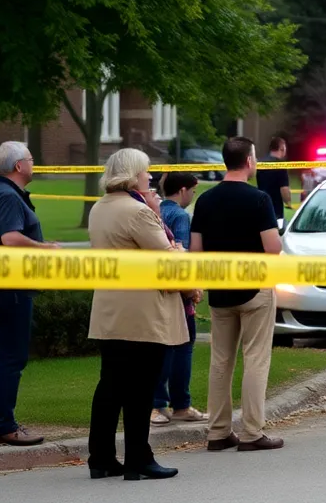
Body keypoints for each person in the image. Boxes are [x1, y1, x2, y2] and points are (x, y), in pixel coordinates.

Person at [86, 148, 190, 480]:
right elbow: (167, 260)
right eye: (146, 172)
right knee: (142, 387)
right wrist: (178, 248)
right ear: (133, 175)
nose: (149, 177)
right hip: (143, 312)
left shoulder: (99, 208)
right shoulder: (139, 212)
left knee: (110, 385)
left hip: (109, 308)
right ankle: (138, 458)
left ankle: (100, 457)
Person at [191, 136, 284, 452]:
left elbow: (196, 251)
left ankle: (217, 432)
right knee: (256, 359)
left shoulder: (204, 200)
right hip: (255, 288)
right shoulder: (259, 200)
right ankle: (252, 432)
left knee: (221, 360)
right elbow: (273, 247)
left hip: (220, 290)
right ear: (248, 161)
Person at [0, 141, 58, 447]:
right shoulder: (7, 196)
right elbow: (10, 239)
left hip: (2, 286)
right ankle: (3, 425)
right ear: (19, 166)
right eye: (30, 158)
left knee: (1, 356)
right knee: (12, 358)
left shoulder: (1, 193)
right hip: (10, 288)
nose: (33, 162)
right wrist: (45, 248)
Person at [151, 172, 205, 427]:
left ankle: (159, 404)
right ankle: (178, 404)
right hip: (180, 296)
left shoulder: (153, 210)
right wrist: (192, 290)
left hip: (157, 292)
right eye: (193, 191)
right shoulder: (180, 216)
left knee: (161, 349)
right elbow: (181, 256)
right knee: (183, 348)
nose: (193, 196)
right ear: (183, 190)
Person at [256, 136, 292, 227]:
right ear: (282, 148)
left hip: (261, 205)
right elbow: (284, 189)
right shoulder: (280, 165)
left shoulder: (261, 163)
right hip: (276, 209)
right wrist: (288, 202)